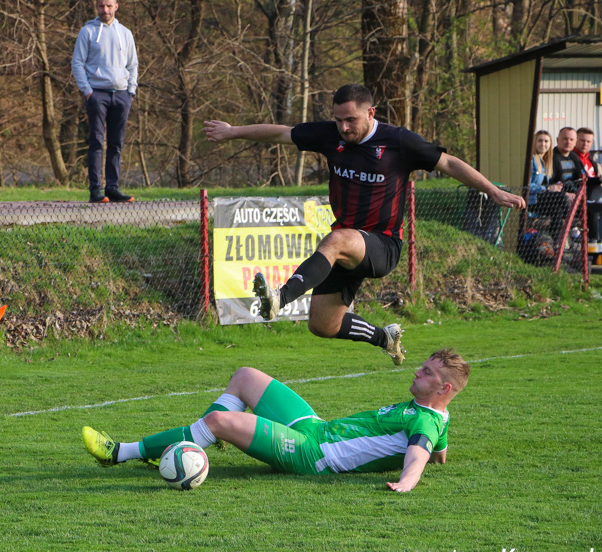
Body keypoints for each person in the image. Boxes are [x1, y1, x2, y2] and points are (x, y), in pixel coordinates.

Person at [203, 84, 525, 366]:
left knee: (337, 238)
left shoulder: (398, 141)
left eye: (351, 119)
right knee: (323, 324)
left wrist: (492, 191)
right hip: (348, 245)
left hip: (383, 245)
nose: (343, 127)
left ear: (370, 112)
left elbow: (449, 162)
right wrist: (232, 131)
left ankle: (281, 298)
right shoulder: (331, 135)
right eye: (338, 119)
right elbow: (281, 133)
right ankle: (384, 338)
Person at [83, 348, 470, 492]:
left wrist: (406, 482)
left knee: (218, 420)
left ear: (445, 388)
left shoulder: (426, 423)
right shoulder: (437, 416)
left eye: (428, 372)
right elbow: (437, 451)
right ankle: (183, 449)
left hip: (312, 455)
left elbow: (420, 453)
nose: (418, 371)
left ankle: (120, 453)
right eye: (422, 366)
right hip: (316, 428)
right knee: (246, 376)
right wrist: (441, 456)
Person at [71, 0, 138, 204]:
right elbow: (77, 62)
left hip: (121, 94)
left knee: (116, 143)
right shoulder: (88, 32)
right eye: (101, 6)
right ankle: (95, 190)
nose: (105, 10)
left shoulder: (125, 33)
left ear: (116, 6)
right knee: (97, 142)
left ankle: (113, 187)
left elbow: (133, 63)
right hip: (97, 94)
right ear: (96, 7)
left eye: (109, 6)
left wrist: (131, 91)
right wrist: (88, 91)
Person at [575, 128, 602, 243]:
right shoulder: (573, 157)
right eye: (582, 140)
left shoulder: (591, 159)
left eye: (588, 141)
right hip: (582, 198)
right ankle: (595, 240)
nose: (585, 144)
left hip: (595, 195)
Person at [528, 130, 553, 212]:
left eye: (546, 141)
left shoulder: (546, 161)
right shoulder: (532, 160)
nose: (543, 144)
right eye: (539, 141)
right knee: (560, 197)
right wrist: (546, 188)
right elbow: (527, 186)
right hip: (532, 201)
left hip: (543, 200)